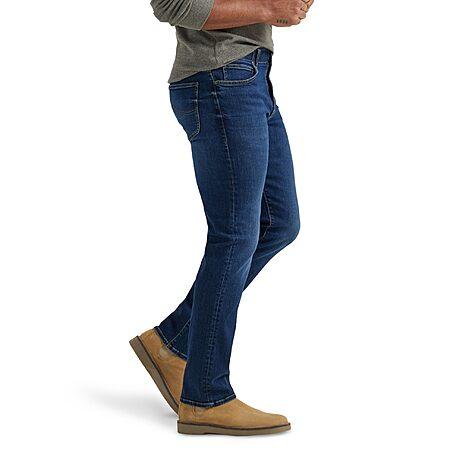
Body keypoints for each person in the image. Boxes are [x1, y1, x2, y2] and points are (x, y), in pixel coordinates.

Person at [130, 0, 314, 436]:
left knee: (278, 222)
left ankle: (172, 343)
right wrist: (268, 9)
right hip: (219, 80)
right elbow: (172, 5)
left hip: (251, 77)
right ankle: (205, 397)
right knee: (234, 236)